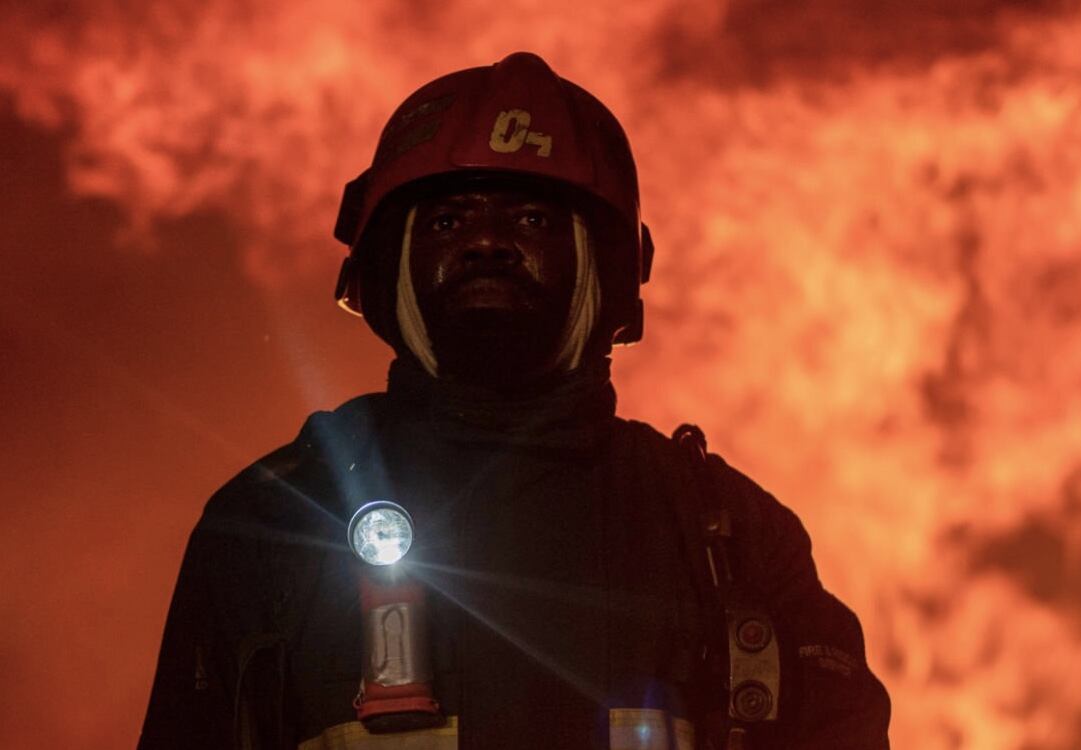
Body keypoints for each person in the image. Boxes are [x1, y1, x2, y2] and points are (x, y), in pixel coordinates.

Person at [139, 51, 890, 750]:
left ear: (608, 269)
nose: (487, 244)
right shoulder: (276, 523)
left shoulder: (731, 539)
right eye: (448, 221)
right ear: (385, 269)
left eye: (530, 219)